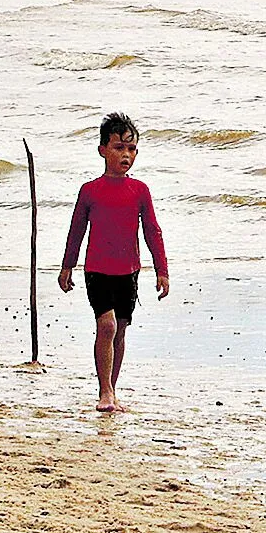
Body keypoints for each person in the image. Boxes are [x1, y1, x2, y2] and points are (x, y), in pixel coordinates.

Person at [57, 113, 170, 413]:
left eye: (131, 149)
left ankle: (112, 389)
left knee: (119, 329)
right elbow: (77, 229)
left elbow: (152, 231)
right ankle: (104, 391)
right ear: (103, 150)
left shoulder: (140, 190)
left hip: (128, 271)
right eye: (119, 147)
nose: (126, 154)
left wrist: (162, 270)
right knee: (105, 326)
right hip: (97, 269)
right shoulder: (90, 190)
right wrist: (67, 266)